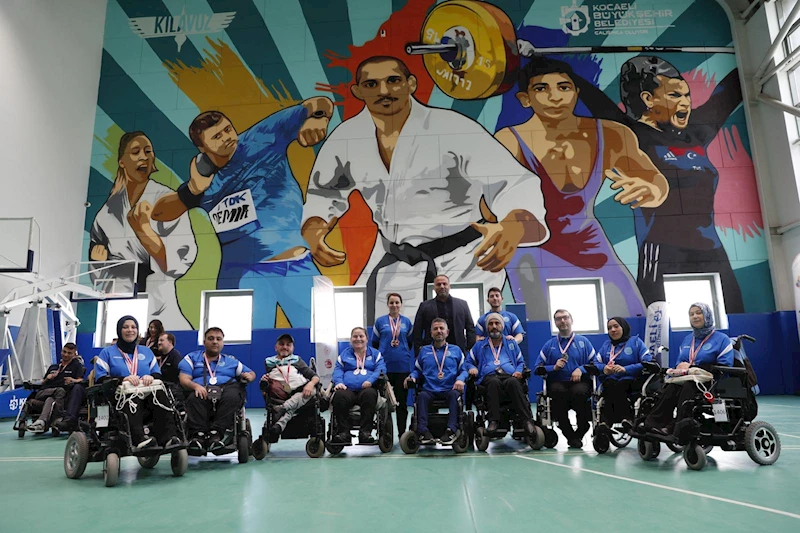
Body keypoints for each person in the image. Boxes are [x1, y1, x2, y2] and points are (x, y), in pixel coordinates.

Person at [302, 55, 549, 324]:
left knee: (464, 336)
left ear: (411, 83)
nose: (383, 90)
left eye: (393, 81)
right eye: (371, 84)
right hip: (393, 261)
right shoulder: (347, 137)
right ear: (358, 91)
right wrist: (315, 231)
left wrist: (514, 225)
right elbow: (324, 192)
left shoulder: (453, 127)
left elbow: (514, 180)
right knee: (382, 335)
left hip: (463, 261)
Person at [571, 55, 745, 313]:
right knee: (655, 325)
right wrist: (540, 58)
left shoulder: (695, 132)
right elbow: (595, 101)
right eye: (675, 95)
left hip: (712, 250)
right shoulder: (632, 134)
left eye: (687, 95)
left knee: (736, 315)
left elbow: (727, 94)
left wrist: (750, 59)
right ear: (648, 99)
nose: (685, 102)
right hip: (662, 252)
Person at [496, 56, 667, 318]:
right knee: (541, 325)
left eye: (563, 87)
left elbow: (655, 180)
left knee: (635, 318)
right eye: (541, 88)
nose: (555, 97)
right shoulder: (509, 141)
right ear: (525, 99)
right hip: (531, 246)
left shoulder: (611, 134)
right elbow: (488, 204)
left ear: (576, 92)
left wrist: (652, 191)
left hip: (588, 240)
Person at [151, 97, 334, 329]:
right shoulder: (204, 182)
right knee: (240, 344)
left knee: (324, 334)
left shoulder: (262, 136)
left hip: (294, 264)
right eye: (216, 137)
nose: (226, 137)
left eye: (228, 129)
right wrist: (192, 190)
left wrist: (320, 118)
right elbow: (159, 213)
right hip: (240, 274)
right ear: (202, 148)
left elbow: (320, 102)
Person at [90, 132, 197, 329]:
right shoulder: (107, 212)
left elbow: (177, 261)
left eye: (148, 151)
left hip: (160, 304)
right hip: (121, 302)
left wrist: (144, 231)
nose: (144, 157)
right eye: (135, 152)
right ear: (121, 162)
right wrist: (98, 262)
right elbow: (96, 273)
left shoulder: (166, 201)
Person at [644, 303, 733, 438]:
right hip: (688, 377)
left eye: (699, 313)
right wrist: (680, 367)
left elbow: (725, 365)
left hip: (711, 381)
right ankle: (653, 424)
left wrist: (693, 367)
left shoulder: (722, 340)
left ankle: (677, 426)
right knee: (671, 387)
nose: (695, 316)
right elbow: (680, 362)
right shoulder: (688, 340)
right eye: (691, 314)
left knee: (688, 387)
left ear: (707, 316)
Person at [93, 316, 180, 451]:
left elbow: (157, 374)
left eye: (133, 327)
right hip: (119, 397)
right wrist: (123, 380)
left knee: (160, 393)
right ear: (119, 330)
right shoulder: (107, 353)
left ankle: (168, 438)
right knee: (131, 396)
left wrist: (150, 376)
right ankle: (139, 439)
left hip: (148, 395)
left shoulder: (146, 352)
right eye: (125, 327)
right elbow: (100, 379)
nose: (130, 330)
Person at [178, 327, 256, 454]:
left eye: (218, 339)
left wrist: (249, 376)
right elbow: (184, 379)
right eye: (211, 339)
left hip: (226, 389)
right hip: (201, 389)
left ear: (222, 343)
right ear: (204, 342)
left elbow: (251, 373)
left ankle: (216, 434)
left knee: (233, 396)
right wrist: (195, 386)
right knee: (194, 397)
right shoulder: (191, 358)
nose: (215, 342)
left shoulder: (231, 361)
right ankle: (198, 436)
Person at [536, 309, 600, 448]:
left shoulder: (584, 342)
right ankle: (569, 434)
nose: (563, 321)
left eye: (565, 317)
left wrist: (581, 369)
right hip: (558, 382)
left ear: (571, 320)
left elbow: (596, 364)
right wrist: (553, 368)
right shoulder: (549, 345)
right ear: (555, 323)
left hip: (579, 382)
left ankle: (582, 428)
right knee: (557, 393)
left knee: (579, 393)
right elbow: (537, 368)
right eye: (559, 319)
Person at [467, 314, 536, 436]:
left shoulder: (511, 343)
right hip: (489, 378)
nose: (494, 326)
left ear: (502, 326)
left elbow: (521, 362)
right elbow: (468, 362)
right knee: (494, 382)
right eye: (491, 324)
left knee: (513, 382)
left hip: (509, 376)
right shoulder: (480, 345)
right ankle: (494, 421)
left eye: (497, 323)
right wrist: (472, 368)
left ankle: (526, 421)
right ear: (487, 327)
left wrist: (518, 371)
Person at [405, 318, 467, 445]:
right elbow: (417, 370)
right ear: (431, 333)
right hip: (430, 390)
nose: (439, 331)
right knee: (421, 396)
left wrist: (460, 379)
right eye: (435, 329)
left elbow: (464, 370)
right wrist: (412, 377)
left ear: (447, 332)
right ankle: (423, 432)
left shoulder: (456, 350)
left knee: (455, 396)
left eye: (441, 328)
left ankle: (451, 431)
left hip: (450, 389)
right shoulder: (424, 351)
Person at [331, 327, 387, 444]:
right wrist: (339, 382)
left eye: (361, 336)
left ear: (367, 338)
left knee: (370, 395)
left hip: (367, 389)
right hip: (348, 389)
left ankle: (365, 433)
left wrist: (370, 381)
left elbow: (380, 369)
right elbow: (338, 370)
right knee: (339, 396)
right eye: (355, 336)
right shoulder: (344, 355)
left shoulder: (375, 354)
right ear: (351, 339)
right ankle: (344, 433)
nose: (358, 339)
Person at [595, 317, 652, 431]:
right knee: (609, 385)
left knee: (619, 386)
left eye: (616, 326)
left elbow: (647, 361)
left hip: (631, 379)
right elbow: (596, 363)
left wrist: (626, 369)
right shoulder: (606, 345)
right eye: (609, 328)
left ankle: (613, 419)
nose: (613, 330)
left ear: (624, 327)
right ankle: (613, 421)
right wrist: (604, 368)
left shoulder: (636, 342)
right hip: (611, 379)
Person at [370, 292, 414, 435]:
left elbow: (410, 342)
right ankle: (386, 434)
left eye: (397, 302)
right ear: (388, 304)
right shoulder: (380, 321)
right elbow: (375, 343)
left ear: (401, 304)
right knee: (384, 403)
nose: (394, 305)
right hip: (384, 368)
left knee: (401, 403)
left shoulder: (407, 322)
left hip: (402, 367)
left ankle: (402, 434)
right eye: (391, 302)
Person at [261, 334, 320, 437]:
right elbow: (269, 378)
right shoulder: (269, 362)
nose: (285, 347)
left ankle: (282, 412)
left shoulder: (297, 360)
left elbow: (315, 377)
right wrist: (264, 378)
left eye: (288, 345)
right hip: (281, 394)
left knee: (312, 390)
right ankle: (281, 416)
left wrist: (310, 384)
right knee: (294, 403)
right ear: (276, 347)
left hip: (300, 390)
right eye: (281, 344)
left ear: (293, 348)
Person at [26, 343, 85, 434]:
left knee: (51, 400)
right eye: (64, 352)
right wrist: (47, 378)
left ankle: (41, 423)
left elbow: (80, 380)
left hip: (57, 397)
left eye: (69, 353)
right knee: (60, 391)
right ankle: (57, 418)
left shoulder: (76, 366)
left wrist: (73, 380)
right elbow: (42, 382)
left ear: (74, 354)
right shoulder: (53, 367)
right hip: (44, 392)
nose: (66, 355)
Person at [413, 275, 476, 355]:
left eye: (444, 284)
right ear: (434, 287)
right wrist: (419, 350)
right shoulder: (424, 306)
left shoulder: (462, 304)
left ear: (449, 286)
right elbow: (417, 330)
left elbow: (470, 328)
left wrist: (469, 348)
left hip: (458, 350)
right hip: (432, 352)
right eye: (438, 284)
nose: (442, 286)